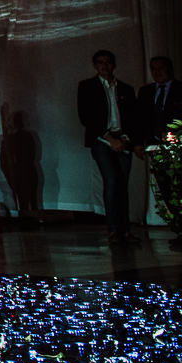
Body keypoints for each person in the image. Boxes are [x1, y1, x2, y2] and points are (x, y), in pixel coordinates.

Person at [137, 56, 182, 248]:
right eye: (153, 69)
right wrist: (138, 143)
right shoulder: (146, 92)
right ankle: (181, 231)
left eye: (161, 68)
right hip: (157, 149)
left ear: (170, 69)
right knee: (166, 190)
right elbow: (141, 120)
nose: (157, 72)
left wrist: (179, 135)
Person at [77, 49, 140, 245]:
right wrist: (109, 139)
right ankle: (114, 229)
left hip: (123, 139)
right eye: (100, 62)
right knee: (112, 182)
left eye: (108, 62)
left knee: (122, 184)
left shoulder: (126, 89)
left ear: (114, 64)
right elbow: (86, 116)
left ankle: (125, 230)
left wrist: (126, 139)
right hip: (102, 141)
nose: (105, 66)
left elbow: (133, 117)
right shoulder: (87, 86)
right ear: (95, 65)